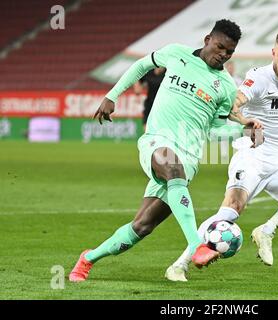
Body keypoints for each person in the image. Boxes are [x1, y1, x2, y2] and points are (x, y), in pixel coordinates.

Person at [68, 19, 263, 282]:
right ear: (207, 39)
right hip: (156, 142)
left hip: (189, 158)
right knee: (172, 167)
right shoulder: (176, 53)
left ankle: (87, 259)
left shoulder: (226, 87)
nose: (223, 55)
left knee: (141, 227)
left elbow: (215, 130)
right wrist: (112, 95)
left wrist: (243, 131)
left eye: (229, 52)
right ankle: (196, 246)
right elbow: (141, 65)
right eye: (220, 47)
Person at [165, 29, 278, 282]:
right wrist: (245, 120)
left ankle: (267, 230)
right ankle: (180, 265)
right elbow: (234, 105)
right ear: (274, 53)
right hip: (251, 153)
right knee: (232, 209)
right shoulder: (258, 78)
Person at [133, 67, 166, 131]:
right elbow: (137, 81)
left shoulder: (168, 73)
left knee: (161, 130)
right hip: (150, 104)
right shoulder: (149, 72)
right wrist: (137, 87)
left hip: (163, 106)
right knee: (146, 129)